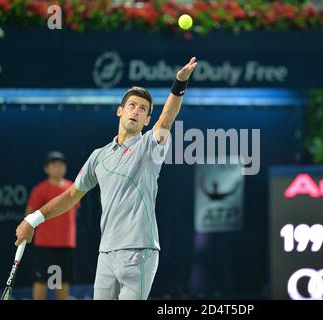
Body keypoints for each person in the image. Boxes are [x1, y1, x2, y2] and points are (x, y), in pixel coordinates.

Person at [15, 57, 198, 300]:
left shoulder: (150, 147)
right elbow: (71, 195)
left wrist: (179, 83)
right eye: (132, 105)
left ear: (146, 120)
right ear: (120, 111)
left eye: (143, 109)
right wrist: (33, 219)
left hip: (140, 252)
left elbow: (166, 118)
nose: (136, 111)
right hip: (106, 253)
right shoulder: (98, 157)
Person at [25, 151, 78, 300]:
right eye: (54, 164)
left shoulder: (72, 187)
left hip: (67, 244)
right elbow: (29, 215)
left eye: (61, 164)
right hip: (45, 245)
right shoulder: (40, 189)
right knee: (41, 280)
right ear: (46, 169)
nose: (58, 167)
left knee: (62, 281)